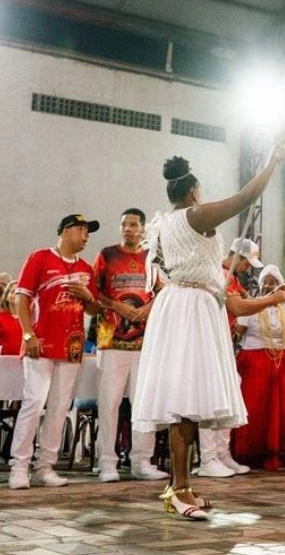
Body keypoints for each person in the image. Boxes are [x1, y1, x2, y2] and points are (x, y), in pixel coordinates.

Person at [132, 154, 285, 520]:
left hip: (188, 302)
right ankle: (178, 488)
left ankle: (181, 485)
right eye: (200, 191)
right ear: (192, 192)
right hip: (190, 307)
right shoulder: (195, 215)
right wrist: (272, 164)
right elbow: (246, 197)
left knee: (185, 401)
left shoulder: (167, 222)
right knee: (182, 402)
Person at [8, 214, 101, 490]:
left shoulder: (86, 268)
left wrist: (87, 297)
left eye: (88, 232)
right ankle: (19, 466)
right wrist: (28, 334)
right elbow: (21, 298)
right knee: (34, 403)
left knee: (60, 406)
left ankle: (45, 466)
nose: (86, 236)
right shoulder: (39, 258)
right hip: (41, 344)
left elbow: (94, 310)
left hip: (72, 347)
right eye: (81, 230)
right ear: (65, 231)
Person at [93, 208, 168, 483]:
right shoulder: (106, 255)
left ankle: (141, 461)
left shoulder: (152, 258)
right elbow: (94, 292)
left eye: (133, 224)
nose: (128, 228)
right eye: (124, 224)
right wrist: (117, 306)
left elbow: (163, 291)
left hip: (144, 343)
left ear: (143, 229)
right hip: (111, 341)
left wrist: (149, 306)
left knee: (143, 404)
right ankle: (107, 463)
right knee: (109, 404)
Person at [195, 237, 263, 478]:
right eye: (246, 263)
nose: (247, 269)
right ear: (238, 257)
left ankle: (222, 453)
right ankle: (208, 457)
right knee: (212, 398)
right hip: (211, 345)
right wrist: (269, 300)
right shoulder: (221, 275)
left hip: (225, 346)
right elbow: (238, 309)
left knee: (228, 394)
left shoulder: (231, 278)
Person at [231, 264, 285, 470]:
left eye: (273, 283)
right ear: (259, 286)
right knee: (255, 408)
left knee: (282, 410)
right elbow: (238, 332)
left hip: (282, 363)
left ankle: (277, 453)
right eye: (265, 283)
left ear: (280, 286)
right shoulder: (251, 305)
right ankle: (250, 454)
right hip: (254, 363)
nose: (269, 286)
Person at [0, 277, 22, 356]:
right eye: (13, 292)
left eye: (19, 292)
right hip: (5, 361)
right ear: (6, 297)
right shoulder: (1, 318)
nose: (16, 294)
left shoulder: (30, 318)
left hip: (26, 360)